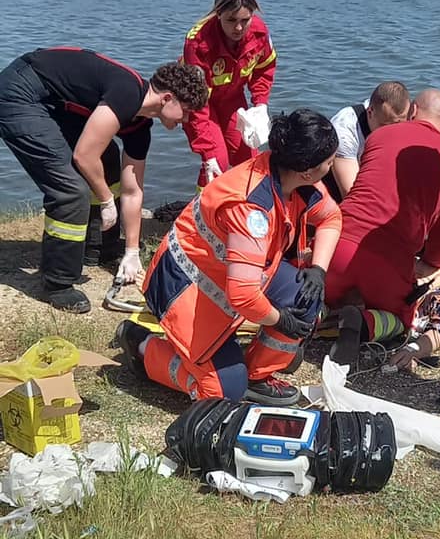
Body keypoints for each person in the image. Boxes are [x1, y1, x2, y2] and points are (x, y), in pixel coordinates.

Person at [116, 110, 341, 406]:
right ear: (307, 171)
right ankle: (142, 345)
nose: (333, 165)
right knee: (221, 393)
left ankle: (258, 375)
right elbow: (243, 295)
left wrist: (318, 269)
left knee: (307, 296)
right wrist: (280, 320)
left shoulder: (295, 179)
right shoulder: (252, 209)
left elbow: (331, 218)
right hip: (184, 287)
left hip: (235, 278)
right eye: (330, 161)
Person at [0, 48, 208, 314]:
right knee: (70, 191)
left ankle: (100, 248)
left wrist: (132, 251)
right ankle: (58, 283)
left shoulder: (139, 127)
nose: (187, 120)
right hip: (19, 93)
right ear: (167, 98)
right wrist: (107, 201)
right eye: (187, 111)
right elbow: (84, 156)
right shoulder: (126, 93)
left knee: (108, 161)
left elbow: (133, 191)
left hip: (54, 102)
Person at [324, 88, 440, 363]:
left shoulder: (379, 136)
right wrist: (430, 263)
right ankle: (364, 324)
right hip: (388, 263)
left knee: (324, 297)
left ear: (413, 110)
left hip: (335, 245)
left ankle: (309, 318)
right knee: (402, 320)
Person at [182, 0, 276, 186]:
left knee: (249, 159)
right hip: (200, 103)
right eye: (231, 20)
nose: (239, 27)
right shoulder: (198, 43)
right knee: (216, 161)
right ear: (218, 14)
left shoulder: (259, 33)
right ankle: (204, 205)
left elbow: (264, 69)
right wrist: (207, 153)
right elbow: (197, 103)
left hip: (232, 99)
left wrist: (260, 104)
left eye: (245, 20)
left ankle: (244, 203)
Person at [325, 81, 411, 201]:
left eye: (398, 126)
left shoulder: (407, 122)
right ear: (370, 112)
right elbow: (352, 195)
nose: (392, 133)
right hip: (335, 190)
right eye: (385, 126)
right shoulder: (345, 130)